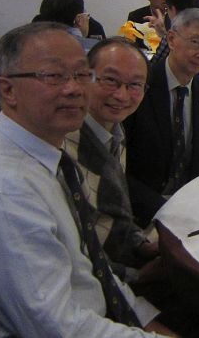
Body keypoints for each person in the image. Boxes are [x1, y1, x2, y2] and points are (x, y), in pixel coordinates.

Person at [0, 22, 174, 336]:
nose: (74, 89)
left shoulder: (48, 157)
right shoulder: (3, 191)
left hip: (102, 314)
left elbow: (91, 267)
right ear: (8, 90)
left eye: (81, 74)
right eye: (53, 76)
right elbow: (58, 327)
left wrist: (146, 319)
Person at [65, 38, 156, 277]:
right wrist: (136, 276)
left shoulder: (114, 131)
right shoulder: (65, 143)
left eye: (134, 85)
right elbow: (75, 244)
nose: (121, 95)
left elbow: (112, 214)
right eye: (110, 80)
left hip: (125, 255)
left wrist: (143, 246)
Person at [125, 9, 199, 224]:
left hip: (190, 206)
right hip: (140, 211)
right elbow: (119, 167)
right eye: (195, 42)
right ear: (171, 39)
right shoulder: (140, 87)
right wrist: (164, 211)